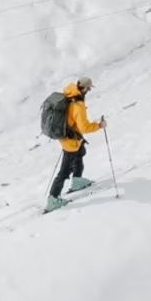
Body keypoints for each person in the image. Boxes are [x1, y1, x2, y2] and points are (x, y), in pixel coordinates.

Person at [46, 78, 103, 209]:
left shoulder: (70, 94)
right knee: (65, 171)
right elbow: (84, 128)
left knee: (81, 152)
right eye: (88, 89)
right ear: (84, 89)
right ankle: (52, 199)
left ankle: (77, 180)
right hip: (70, 141)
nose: (89, 91)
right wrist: (99, 125)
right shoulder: (78, 105)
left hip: (71, 137)